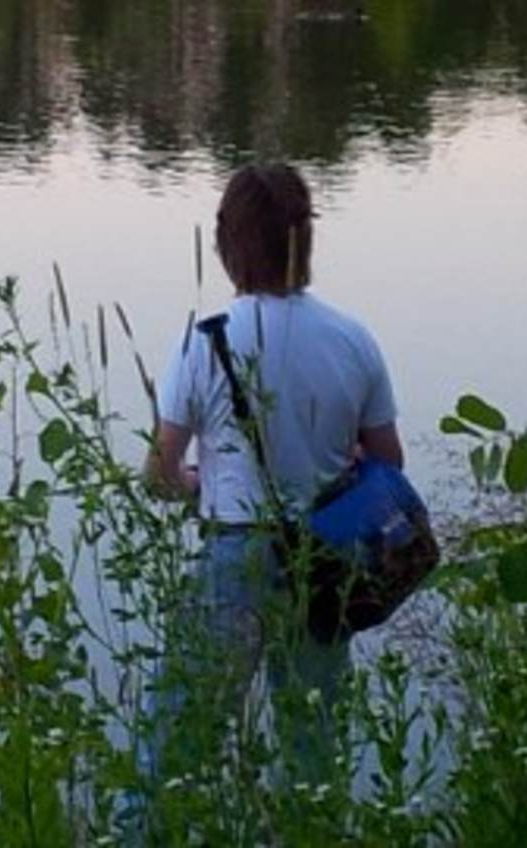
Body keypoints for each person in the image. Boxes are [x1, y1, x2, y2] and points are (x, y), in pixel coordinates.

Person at [138, 162, 404, 802]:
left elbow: (158, 474)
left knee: (179, 741)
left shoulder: (205, 342)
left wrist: (199, 483)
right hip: (326, 556)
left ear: (226, 242)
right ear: (303, 240)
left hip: (235, 554)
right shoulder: (352, 338)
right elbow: (388, 466)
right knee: (313, 749)